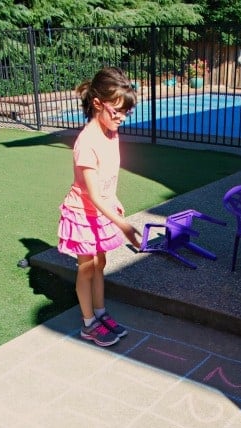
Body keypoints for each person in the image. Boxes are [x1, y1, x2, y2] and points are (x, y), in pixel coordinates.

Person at [58, 67, 141, 346]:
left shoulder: (110, 133)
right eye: (116, 111)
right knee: (87, 266)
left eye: (125, 112)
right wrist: (124, 226)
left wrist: (115, 201)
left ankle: (101, 312)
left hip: (102, 210)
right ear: (97, 103)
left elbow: (107, 178)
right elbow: (92, 195)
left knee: (101, 262)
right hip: (82, 213)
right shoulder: (87, 142)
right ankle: (88, 323)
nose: (121, 118)